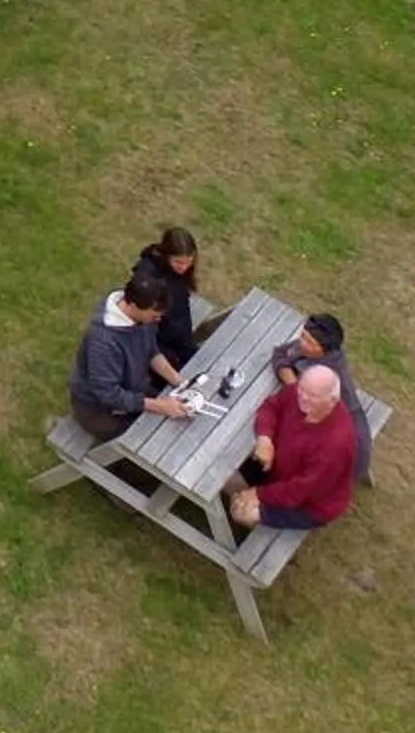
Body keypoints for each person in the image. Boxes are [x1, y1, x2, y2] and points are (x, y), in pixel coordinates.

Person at [227, 364, 360, 530]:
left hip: (309, 505)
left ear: (332, 401)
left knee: (241, 513)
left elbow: (300, 492)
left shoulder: (335, 445)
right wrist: (265, 439)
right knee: (223, 468)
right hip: (279, 471)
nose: (303, 397)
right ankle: (244, 498)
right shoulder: (300, 393)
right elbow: (271, 406)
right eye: (301, 389)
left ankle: (257, 534)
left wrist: (256, 494)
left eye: (313, 396)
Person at [70, 266, 191, 441]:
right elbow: (109, 395)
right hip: (98, 408)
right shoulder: (104, 342)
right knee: (151, 439)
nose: (158, 319)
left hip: (133, 389)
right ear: (133, 306)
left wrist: (179, 381)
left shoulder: (142, 316)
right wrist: (160, 406)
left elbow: (151, 351)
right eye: (155, 315)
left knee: (180, 418)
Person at [271, 312, 372, 483]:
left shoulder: (326, 378)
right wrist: (292, 382)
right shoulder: (313, 348)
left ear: (323, 349)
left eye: (309, 341)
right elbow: (280, 353)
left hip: (343, 453)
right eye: (302, 335)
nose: (302, 342)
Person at [131, 225, 204, 383]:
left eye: (188, 262)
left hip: (178, 334)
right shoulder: (148, 277)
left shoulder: (177, 273)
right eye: (178, 262)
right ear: (166, 255)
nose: (184, 268)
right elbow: (144, 325)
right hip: (156, 342)